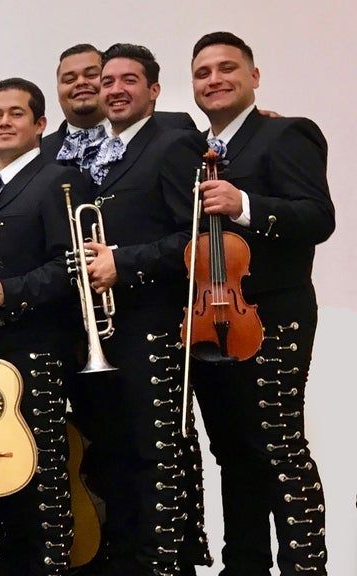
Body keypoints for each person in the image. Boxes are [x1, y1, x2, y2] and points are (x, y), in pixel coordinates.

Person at [189, 31, 334, 576]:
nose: (215, 79)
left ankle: (304, 567)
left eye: (227, 68)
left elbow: (318, 217)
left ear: (254, 76)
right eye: (203, 73)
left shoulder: (286, 133)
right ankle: (244, 565)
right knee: (232, 451)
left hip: (273, 317)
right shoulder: (195, 148)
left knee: (279, 447)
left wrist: (244, 203)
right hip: (211, 321)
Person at [66, 43, 209, 576]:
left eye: (129, 80)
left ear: (154, 90)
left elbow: (198, 239)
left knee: (158, 455)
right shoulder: (102, 153)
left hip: (153, 325)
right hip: (106, 332)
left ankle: (165, 564)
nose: (115, 89)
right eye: (108, 81)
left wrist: (122, 262)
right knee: (114, 453)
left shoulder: (171, 144)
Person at [0, 77, 90, 575]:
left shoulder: (59, 180)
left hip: (37, 351)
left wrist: (10, 291)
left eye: (16, 114)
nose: (4, 122)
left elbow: (72, 266)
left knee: (41, 477)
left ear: (40, 125)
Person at [40, 44, 196, 172]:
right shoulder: (40, 152)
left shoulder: (175, 126)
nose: (80, 82)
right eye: (69, 79)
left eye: (92, 75)